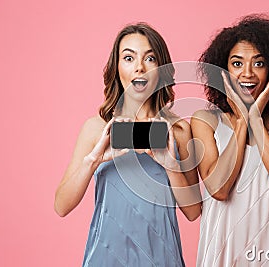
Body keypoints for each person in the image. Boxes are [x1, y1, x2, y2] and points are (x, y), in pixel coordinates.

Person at [54, 23, 202, 267]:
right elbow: (61, 206)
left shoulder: (178, 131)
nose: (139, 67)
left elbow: (193, 211)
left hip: (162, 259)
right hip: (104, 258)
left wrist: (170, 164)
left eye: (150, 58)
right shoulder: (97, 129)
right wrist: (93, 161)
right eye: (129, 58)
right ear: (117, 67)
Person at [192, 14, 269, 266]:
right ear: (223, 71)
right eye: (237, 63)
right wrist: (242, 122)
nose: (247, 73)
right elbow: (219, 189)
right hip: (225, 249)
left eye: (258, 64)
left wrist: (255, 119)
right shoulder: (205, 121)